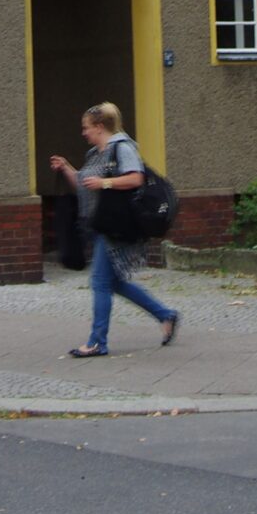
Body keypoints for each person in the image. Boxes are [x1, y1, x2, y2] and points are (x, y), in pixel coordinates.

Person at [47, 102, 179, 357]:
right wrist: (66, 168)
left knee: (99, 281)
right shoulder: (95, 154)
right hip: (102, 223)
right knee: (113, 282)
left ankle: (97, 342)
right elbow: (85, 185)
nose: (84, 132)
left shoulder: (122, 147)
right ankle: (166, 315)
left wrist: (105, 183)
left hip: (117, 225)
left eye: (86, 127)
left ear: (99, 126)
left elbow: (136, 178)